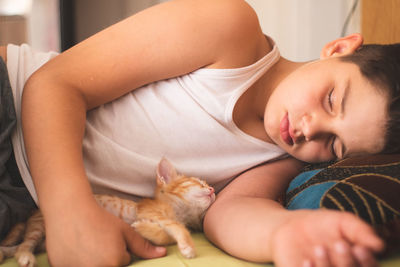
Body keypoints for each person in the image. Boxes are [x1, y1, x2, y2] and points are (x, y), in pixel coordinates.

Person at [1, 0, 399, 266]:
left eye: (334, 145)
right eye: (331, 100)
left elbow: (231, 214)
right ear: (340, 48)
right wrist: (69, 211)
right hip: (14, 104)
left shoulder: (283, 159)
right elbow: (54, 84)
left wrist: (286, 232)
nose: (309, 131)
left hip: (18, 201)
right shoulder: (230, 28)